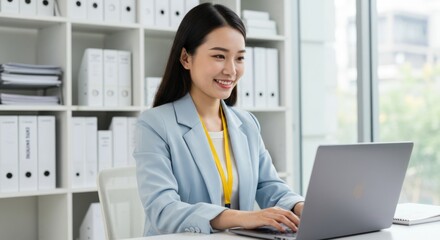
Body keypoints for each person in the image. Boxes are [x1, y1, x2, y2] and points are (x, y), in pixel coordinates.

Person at [134, 2, 304, 236]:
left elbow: (268, 185)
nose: (231, 70)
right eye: (219, 56)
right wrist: (243, 218)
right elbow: (163, 209)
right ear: (185, 58)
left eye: (240, 58)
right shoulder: (155, 125)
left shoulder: (247, 123)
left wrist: (300, 207)